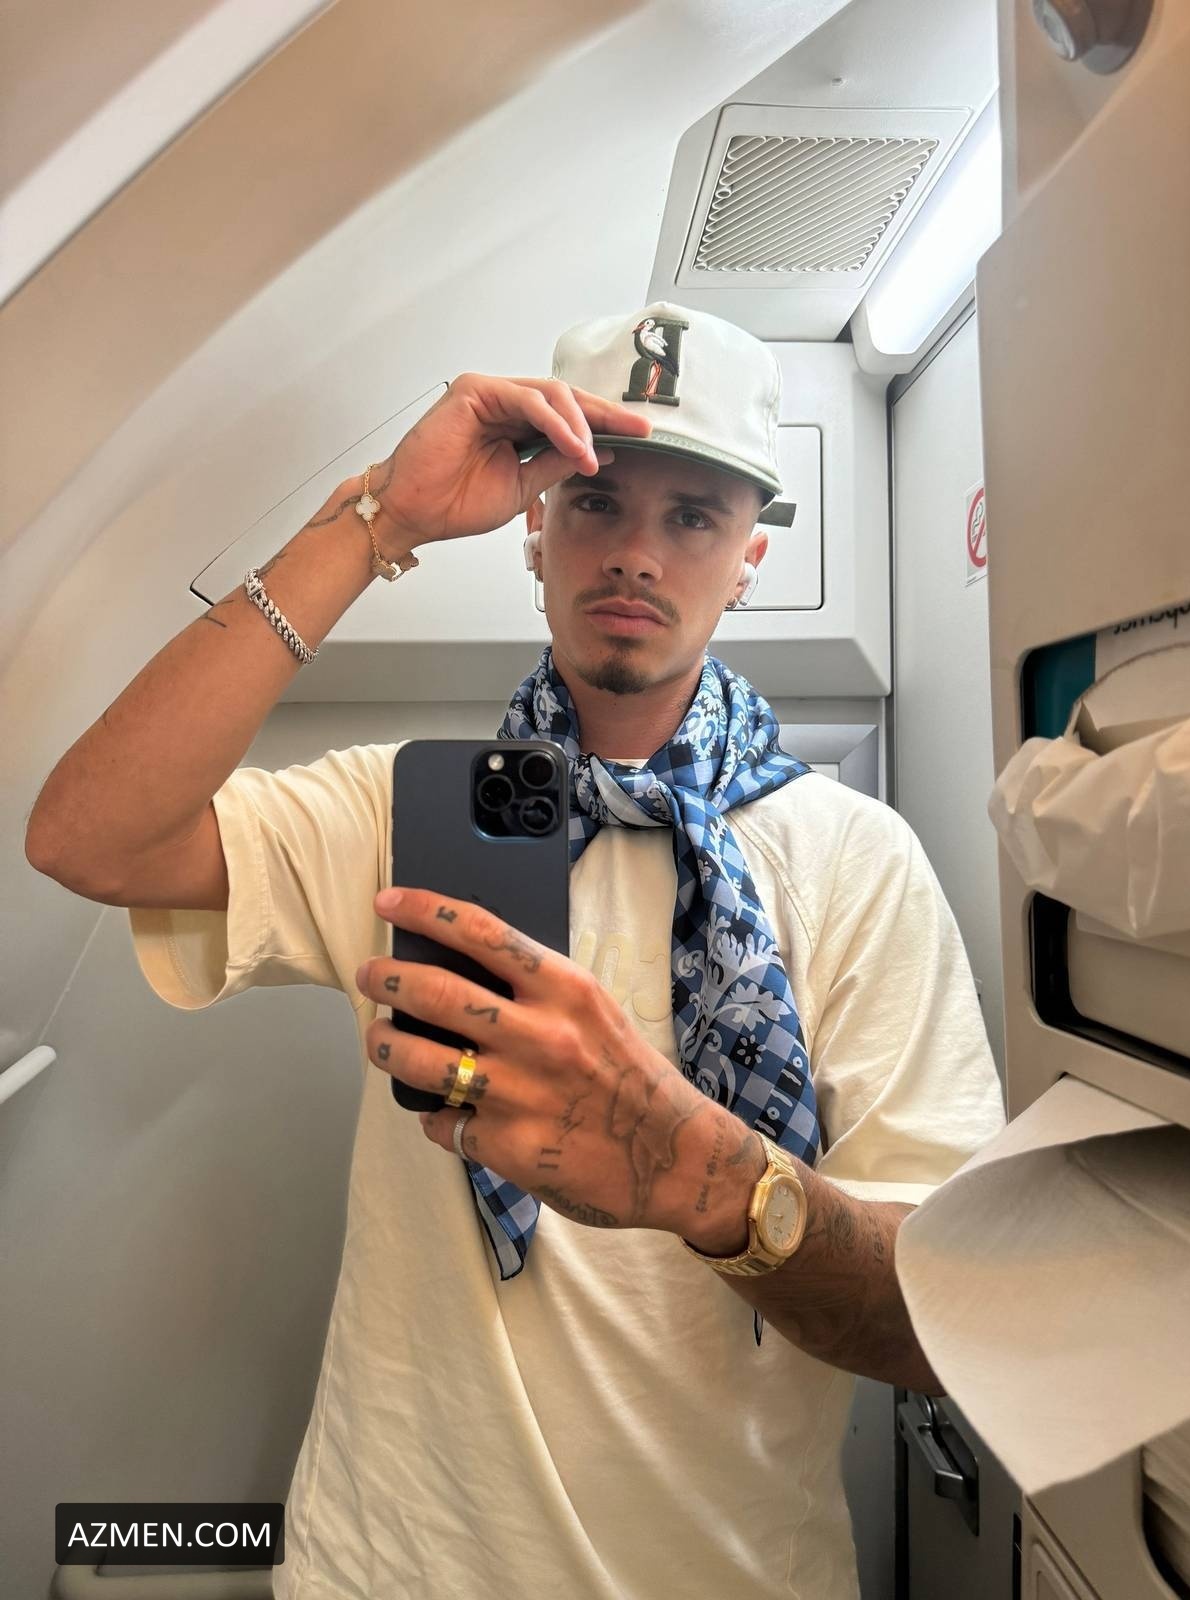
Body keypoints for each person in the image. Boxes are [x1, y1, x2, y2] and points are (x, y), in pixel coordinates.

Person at [26, 301, 1007, 1600]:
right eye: (595, 503)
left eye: (693, 517)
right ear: (534, 531)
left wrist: (704, 1178)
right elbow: (88, 837)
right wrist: (378, 520)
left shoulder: (855, 863)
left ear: (750, 559)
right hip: (382, 1571)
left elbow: (952, 1321)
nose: (636, 554)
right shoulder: (408, 812)